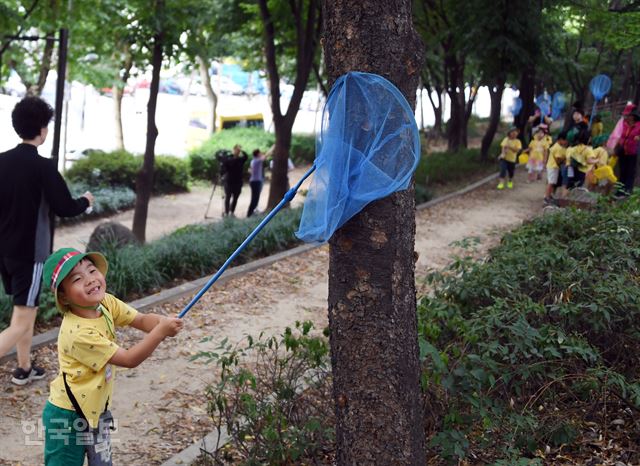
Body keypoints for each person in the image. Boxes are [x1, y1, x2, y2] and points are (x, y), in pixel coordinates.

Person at [41, 247, 183, 465]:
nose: (90, 280)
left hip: (97, 411)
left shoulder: (105, 303)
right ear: (64, 296)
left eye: (91, 270)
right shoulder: (78, 332)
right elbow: (129, 359)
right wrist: (161, 332)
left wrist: (164, 322)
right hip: (67, 417)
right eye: (78, 279)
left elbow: (142, 320)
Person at [0, 96, 94, 385]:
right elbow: (65, 206)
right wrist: (85, 201)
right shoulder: (43, 166)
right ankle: (23, 366)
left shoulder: (2, 161)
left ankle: (25, 368)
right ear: (42, 129)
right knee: (21, 321)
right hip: (30, 254)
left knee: (26, 311)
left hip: (4, 251)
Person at [615, 104, 640, 197]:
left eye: (628, 115)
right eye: (626, 115)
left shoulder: (639, 125)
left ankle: (627, 191)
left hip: (632, 153)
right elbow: (618, 136)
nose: (626, 117)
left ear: (633, 116)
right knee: (622, 171)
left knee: (630, 172)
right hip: (622, 151)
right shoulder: (623, 124)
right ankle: (619, 191)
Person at [217, 144, 248, 217]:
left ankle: (232, 211)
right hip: (229, 182)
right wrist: (226, 152)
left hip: (238, 182)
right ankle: (226, 212)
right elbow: (221, 160)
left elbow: (246, 156)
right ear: (233, 150)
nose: (237, 151)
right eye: (236, 149)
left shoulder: (241, 159)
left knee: (235, 198)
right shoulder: (229, 158)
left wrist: (242, 150)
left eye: (238, 150)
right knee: (228, 197)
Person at [544, 131, 568, 203]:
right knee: (551, 182)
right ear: (560, 139)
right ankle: (546, 197)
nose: (566, 142)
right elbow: (558, 160)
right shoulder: (558, 148)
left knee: (553, 182)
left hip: (553, 167)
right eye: (565, 140)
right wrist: (565, 159)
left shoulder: (558, 146)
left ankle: (549, 195)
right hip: (553, 167)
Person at [247, 149, 266, 217]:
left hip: (254, 181)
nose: (261, 153)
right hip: (256, 182)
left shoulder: (253, 161)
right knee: (255, 198)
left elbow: (250, 170)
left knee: (255, 198)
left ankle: (251, 212)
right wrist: (273, 148)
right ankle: (250, 213)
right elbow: (265, 156)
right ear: (257, 154)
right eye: (260, 152)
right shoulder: (257, 161)